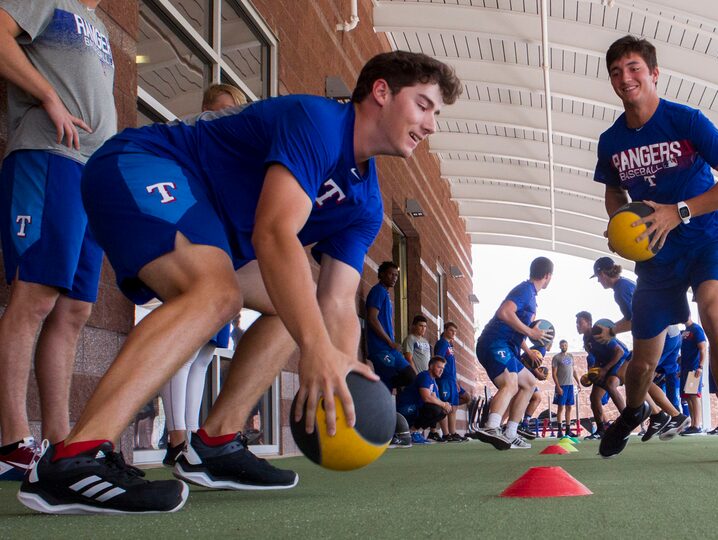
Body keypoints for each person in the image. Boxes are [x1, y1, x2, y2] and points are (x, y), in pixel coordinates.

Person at [17, 50, 463, 514]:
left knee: (294, 302)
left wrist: (343, 373)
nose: (431, 124)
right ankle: (72, 461)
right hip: (144, 161)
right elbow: (274, 232)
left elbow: (335, 300)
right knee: (216, 294)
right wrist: (314, 347)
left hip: (212, 224)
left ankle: (216, 444)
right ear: (381, 92)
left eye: (436, 113)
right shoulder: (317, 120)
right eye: (424, 105)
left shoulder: (367, 203)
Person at [593, 35, 718, 460]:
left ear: (653, 74)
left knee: (713, 312)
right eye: (616, 72)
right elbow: (615, 194)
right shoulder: (611, 141)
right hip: (656, 256)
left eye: (634, 68)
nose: (625, 78)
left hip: (707, 239)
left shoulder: (687, 121)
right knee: (642, 364)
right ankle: (634, 412)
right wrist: (618, 226)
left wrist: (679, 211)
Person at [0, 0, 116, 481]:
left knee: (75, 310)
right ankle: (10, 441)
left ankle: (59, 442)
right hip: (48, 155)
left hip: (89, 173)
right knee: (35, 297)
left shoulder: (101, 25)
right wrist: (48, 97)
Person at [157, 84, 248, 466]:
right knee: (182, 347)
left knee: (204, 355)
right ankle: (176, 437)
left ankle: (191, 435)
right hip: (188, 250)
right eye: (222, 110)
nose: (226, 118)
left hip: (219, 256)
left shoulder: (227, 158)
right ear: (206, 108)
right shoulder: (186, 138)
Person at [590, 256, 688, 442]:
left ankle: (672, 416)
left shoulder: (621, 289)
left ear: (603, 274)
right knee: (636, 376)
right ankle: (661, 416)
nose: (599, 281)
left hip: (662, 333)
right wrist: (611, 331)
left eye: (598, 277)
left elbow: (638, 319)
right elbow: (631, 318)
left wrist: (611, 331)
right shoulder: (623, 286)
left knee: (630, 374)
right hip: (667, 332)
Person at [473, 256, 554, 450]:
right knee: (511, 383)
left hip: (508, 347)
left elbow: (517, 328)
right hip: (494, 342)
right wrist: (531, 332)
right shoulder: (525, 290)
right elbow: (504, 313)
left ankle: (510, 432)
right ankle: (491, 427)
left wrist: (528, 350)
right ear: (547, 276)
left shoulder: (531, 296)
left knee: (529, 383)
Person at [366, 261, 416, 391]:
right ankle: (378, 388)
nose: (394, 278)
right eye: (391, 274)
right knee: (409, 375)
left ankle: (380, 388)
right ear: (382, 274)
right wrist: (390, 342)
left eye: (396, 275)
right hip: (381, 348)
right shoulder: (378, 291)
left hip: (389, 348)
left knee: (397, 382)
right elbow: (372, 318)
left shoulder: (385, 294)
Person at [395, 356, 451, 444]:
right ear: (431, 366)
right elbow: (426, 398)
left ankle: (418, 432)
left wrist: (445, 405)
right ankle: (412, 432)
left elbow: (436, 399)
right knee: (435, 408)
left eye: (443, 368)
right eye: (439, 367)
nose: (441, 370)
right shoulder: (425, 376)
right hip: (406, 409)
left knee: (442, 411)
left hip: (416, 410)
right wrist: (443, 404)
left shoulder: (433, 382)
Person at [433, 321, 466, 441]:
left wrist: (456, 380)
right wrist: (437, 377)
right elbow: (438, 360)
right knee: (445, 406)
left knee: (454, 406)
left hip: (452, 380)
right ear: (445, 330)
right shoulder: (442, 343)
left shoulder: (449, 345)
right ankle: (446, 434)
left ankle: (453, 432)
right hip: (444, 379)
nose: (453, 333)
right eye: (451, 331)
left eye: (455, 332)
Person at [678, 319, 707, 435]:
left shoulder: (696, 329)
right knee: (688, 396)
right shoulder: (685, 331)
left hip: (694, 369)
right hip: (685, 369)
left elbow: (703, 348)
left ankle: (697, 425)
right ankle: (693, 424)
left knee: (694, 396)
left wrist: (700, 367)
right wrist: (681, 369)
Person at [551, 340, 578, 438]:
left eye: (565, 345)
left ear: (567, 346)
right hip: (561, 386)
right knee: (560, 407)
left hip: (570, 385)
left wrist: (578, 382)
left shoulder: (571, 356)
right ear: (559, 346)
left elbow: (573, 370)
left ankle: (568, 430)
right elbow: (554, 373)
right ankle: (559, 431)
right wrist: (557, 386)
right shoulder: (556, 357)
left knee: (569, 407)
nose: (564, 346)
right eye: (562, 345)